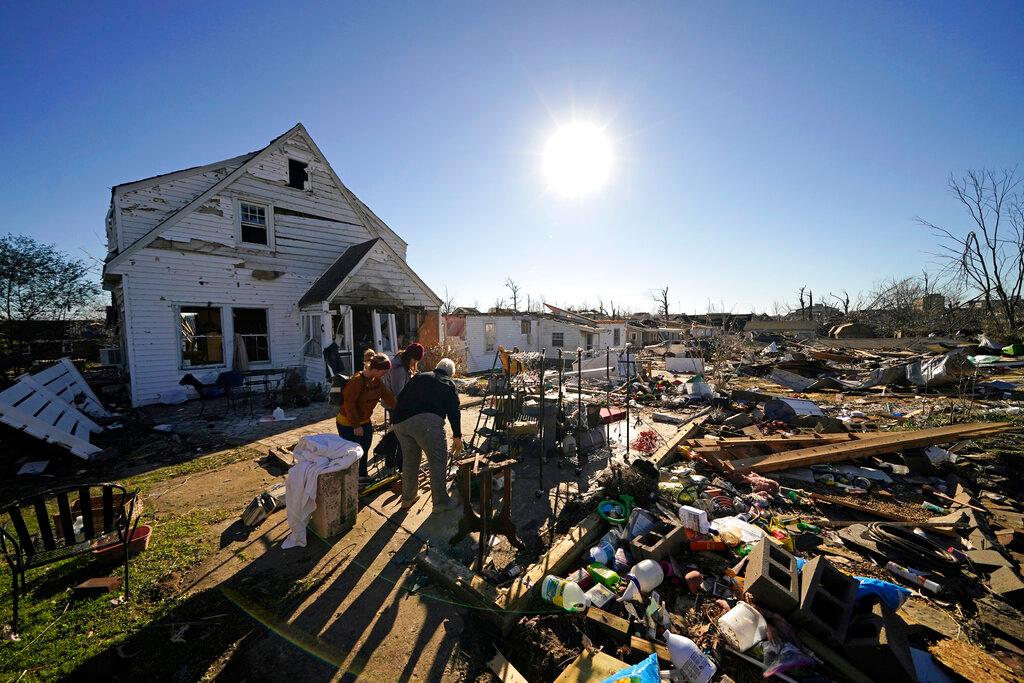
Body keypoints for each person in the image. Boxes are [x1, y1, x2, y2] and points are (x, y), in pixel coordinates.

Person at [391, 358, 463, 511]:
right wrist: (457, 436)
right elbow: (454, 411)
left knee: (410, 460)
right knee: (437, 460)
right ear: (451, 373)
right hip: (426, 423)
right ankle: (441, 503)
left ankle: (407, 499)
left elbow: (400, 397)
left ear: (437, 367)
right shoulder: (447, 382)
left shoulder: (419, 376)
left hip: (400, 423)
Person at [337, 352, 397, 477]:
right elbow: (349, 403)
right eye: (384, 371)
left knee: (364, 451)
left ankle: (362, 477)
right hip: (348, 423)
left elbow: (388, 396)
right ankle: (350, 480)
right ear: (375, 369)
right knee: (352, 454)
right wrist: (356, 425)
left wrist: (402, 408)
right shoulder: (357, 381)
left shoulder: (377, 382)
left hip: (364, 421)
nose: (385, 374)